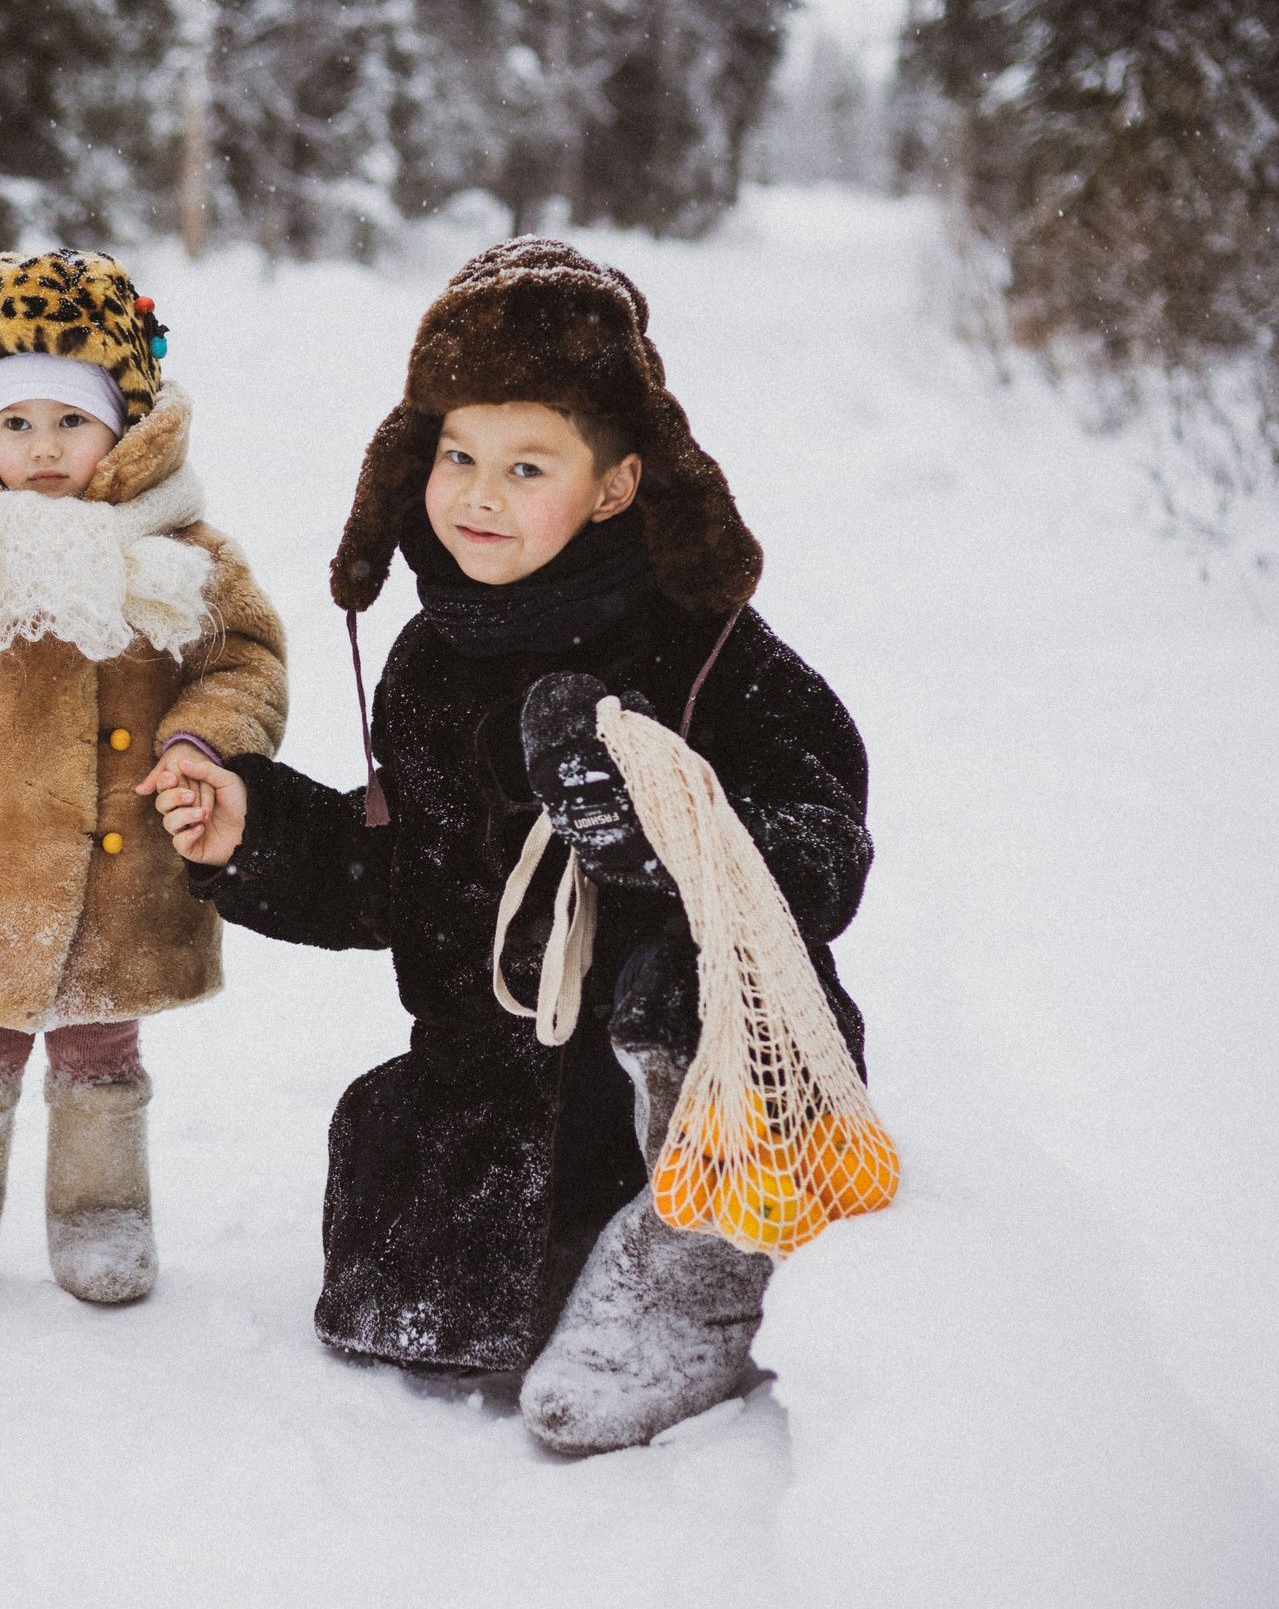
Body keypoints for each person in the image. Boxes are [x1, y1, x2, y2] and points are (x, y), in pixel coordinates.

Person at [142, 239, 871, 1453]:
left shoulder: (712, 654)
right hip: (508, 1088)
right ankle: (561, 1238)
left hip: (692, 1067)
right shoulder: (434, 665)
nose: (478, 494)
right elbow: (409, 881)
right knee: (417, 1296)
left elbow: (826, 844)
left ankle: (699, 1274)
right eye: (457, 456)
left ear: (616, 485)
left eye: (526, 466)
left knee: (686, 981)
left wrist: (672, 839)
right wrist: (255, 830)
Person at [0, 248, 286, 1314]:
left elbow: (244, 661)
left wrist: (203, 740)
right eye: (17, 422)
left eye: (72, 421)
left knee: (100, 1047)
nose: (41, 447)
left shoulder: (186, 551)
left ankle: (100, 1209)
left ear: (127, 425)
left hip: (126, 866)